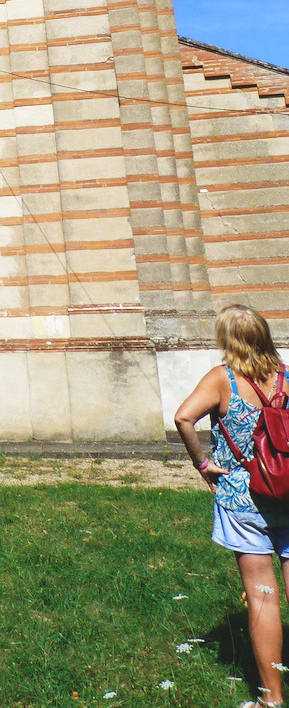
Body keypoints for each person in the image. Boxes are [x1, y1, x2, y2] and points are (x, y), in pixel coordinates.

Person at [175, 303, 289, 708]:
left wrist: (203, 463)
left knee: (262, 595)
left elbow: (184, 417)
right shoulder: (287, 376)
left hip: (245, 496)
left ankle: (270, 699)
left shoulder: (223, 379)